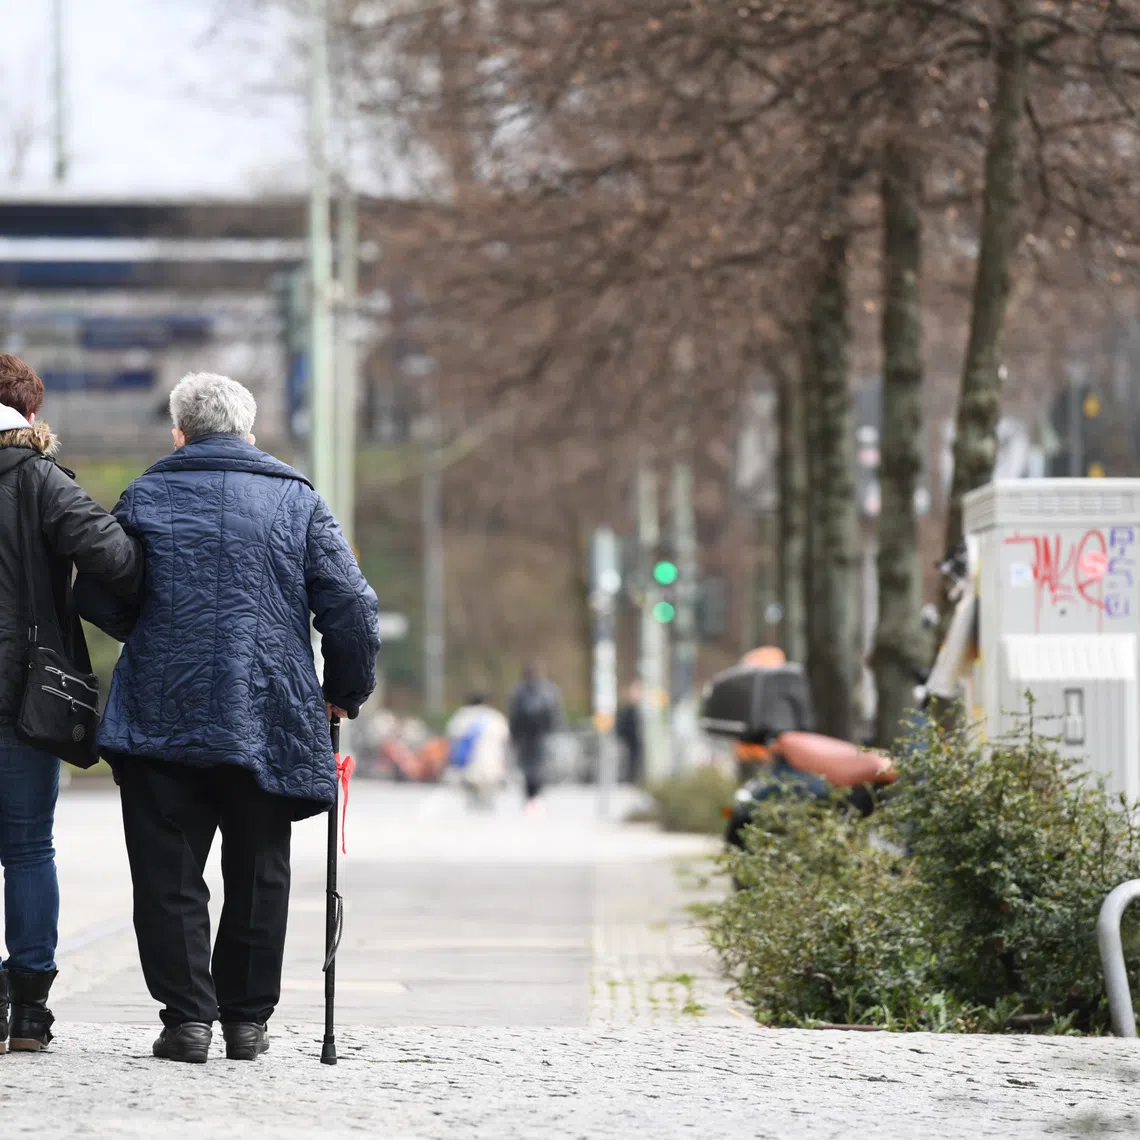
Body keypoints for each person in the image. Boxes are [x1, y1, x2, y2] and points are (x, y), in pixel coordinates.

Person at [76, 372, 380, 1065]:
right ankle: (246, 1022)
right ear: (250, 430)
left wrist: (140, 625)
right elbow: (352, 607)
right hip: (267, 710)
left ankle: (187, 1022)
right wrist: (342, 692)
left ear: (178, 432)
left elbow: (97, 587)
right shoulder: (295, 500)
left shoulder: (147, 493)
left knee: (167, 872)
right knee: (260, 867)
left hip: (162, 709)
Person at [0, 354, 144, 1054]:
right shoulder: (40, 481)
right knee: (27, 847)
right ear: (31, 414)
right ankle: (28, 1011)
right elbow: (116, 557)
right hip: (26, 697)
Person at [508, 661, 563, 815]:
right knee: (540, 767)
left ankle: (529, 798)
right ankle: (537, 798)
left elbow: (513, 715)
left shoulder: (518, 691)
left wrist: (514, 735)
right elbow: (555, 714)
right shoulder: (550, 690)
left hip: (524, 737)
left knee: (527, 768)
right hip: (542, 735)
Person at [446, 693, 511, 809]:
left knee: (472, 796)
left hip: (468, 764)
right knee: (488, 796)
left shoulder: (463, 716)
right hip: (492, 765)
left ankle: (474, 808)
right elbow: (505, 740)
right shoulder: (495, 717)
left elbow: (452, 737)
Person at [614, 679, 645, 785]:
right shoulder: (629, 709)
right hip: (630, 741)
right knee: (631, 760)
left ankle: (635, 778)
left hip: (636, 741)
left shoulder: (640, 708)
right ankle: (632, 778)